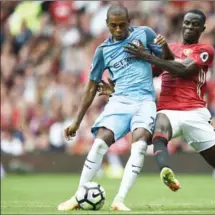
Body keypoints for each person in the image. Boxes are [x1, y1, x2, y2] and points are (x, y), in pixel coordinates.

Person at [102, 9, 215, 209]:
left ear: (202, 28)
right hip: (168, 110)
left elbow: (183, 70)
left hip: (194, 112)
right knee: (159, 127)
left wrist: (147, 56)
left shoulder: (204, 49)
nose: (189, 27)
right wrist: (119, 88)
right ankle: (166, 170)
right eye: (187, 23)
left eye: (194, 24)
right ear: (182, 24)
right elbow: (144, 74)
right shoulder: (168, 47)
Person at [57, 4, 164, 212]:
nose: (118, 30)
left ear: (129, 21)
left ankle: (119, 200)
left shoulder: (145, 34)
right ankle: (78, 197)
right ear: (106, 24)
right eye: (113, 26)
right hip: (119, 101)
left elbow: (166, 62)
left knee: (140, 144)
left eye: (122, 25)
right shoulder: (103, 51)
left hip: (145, 102)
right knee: (98, 144)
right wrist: (76, 122)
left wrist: (148, 56)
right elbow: (90, 87)